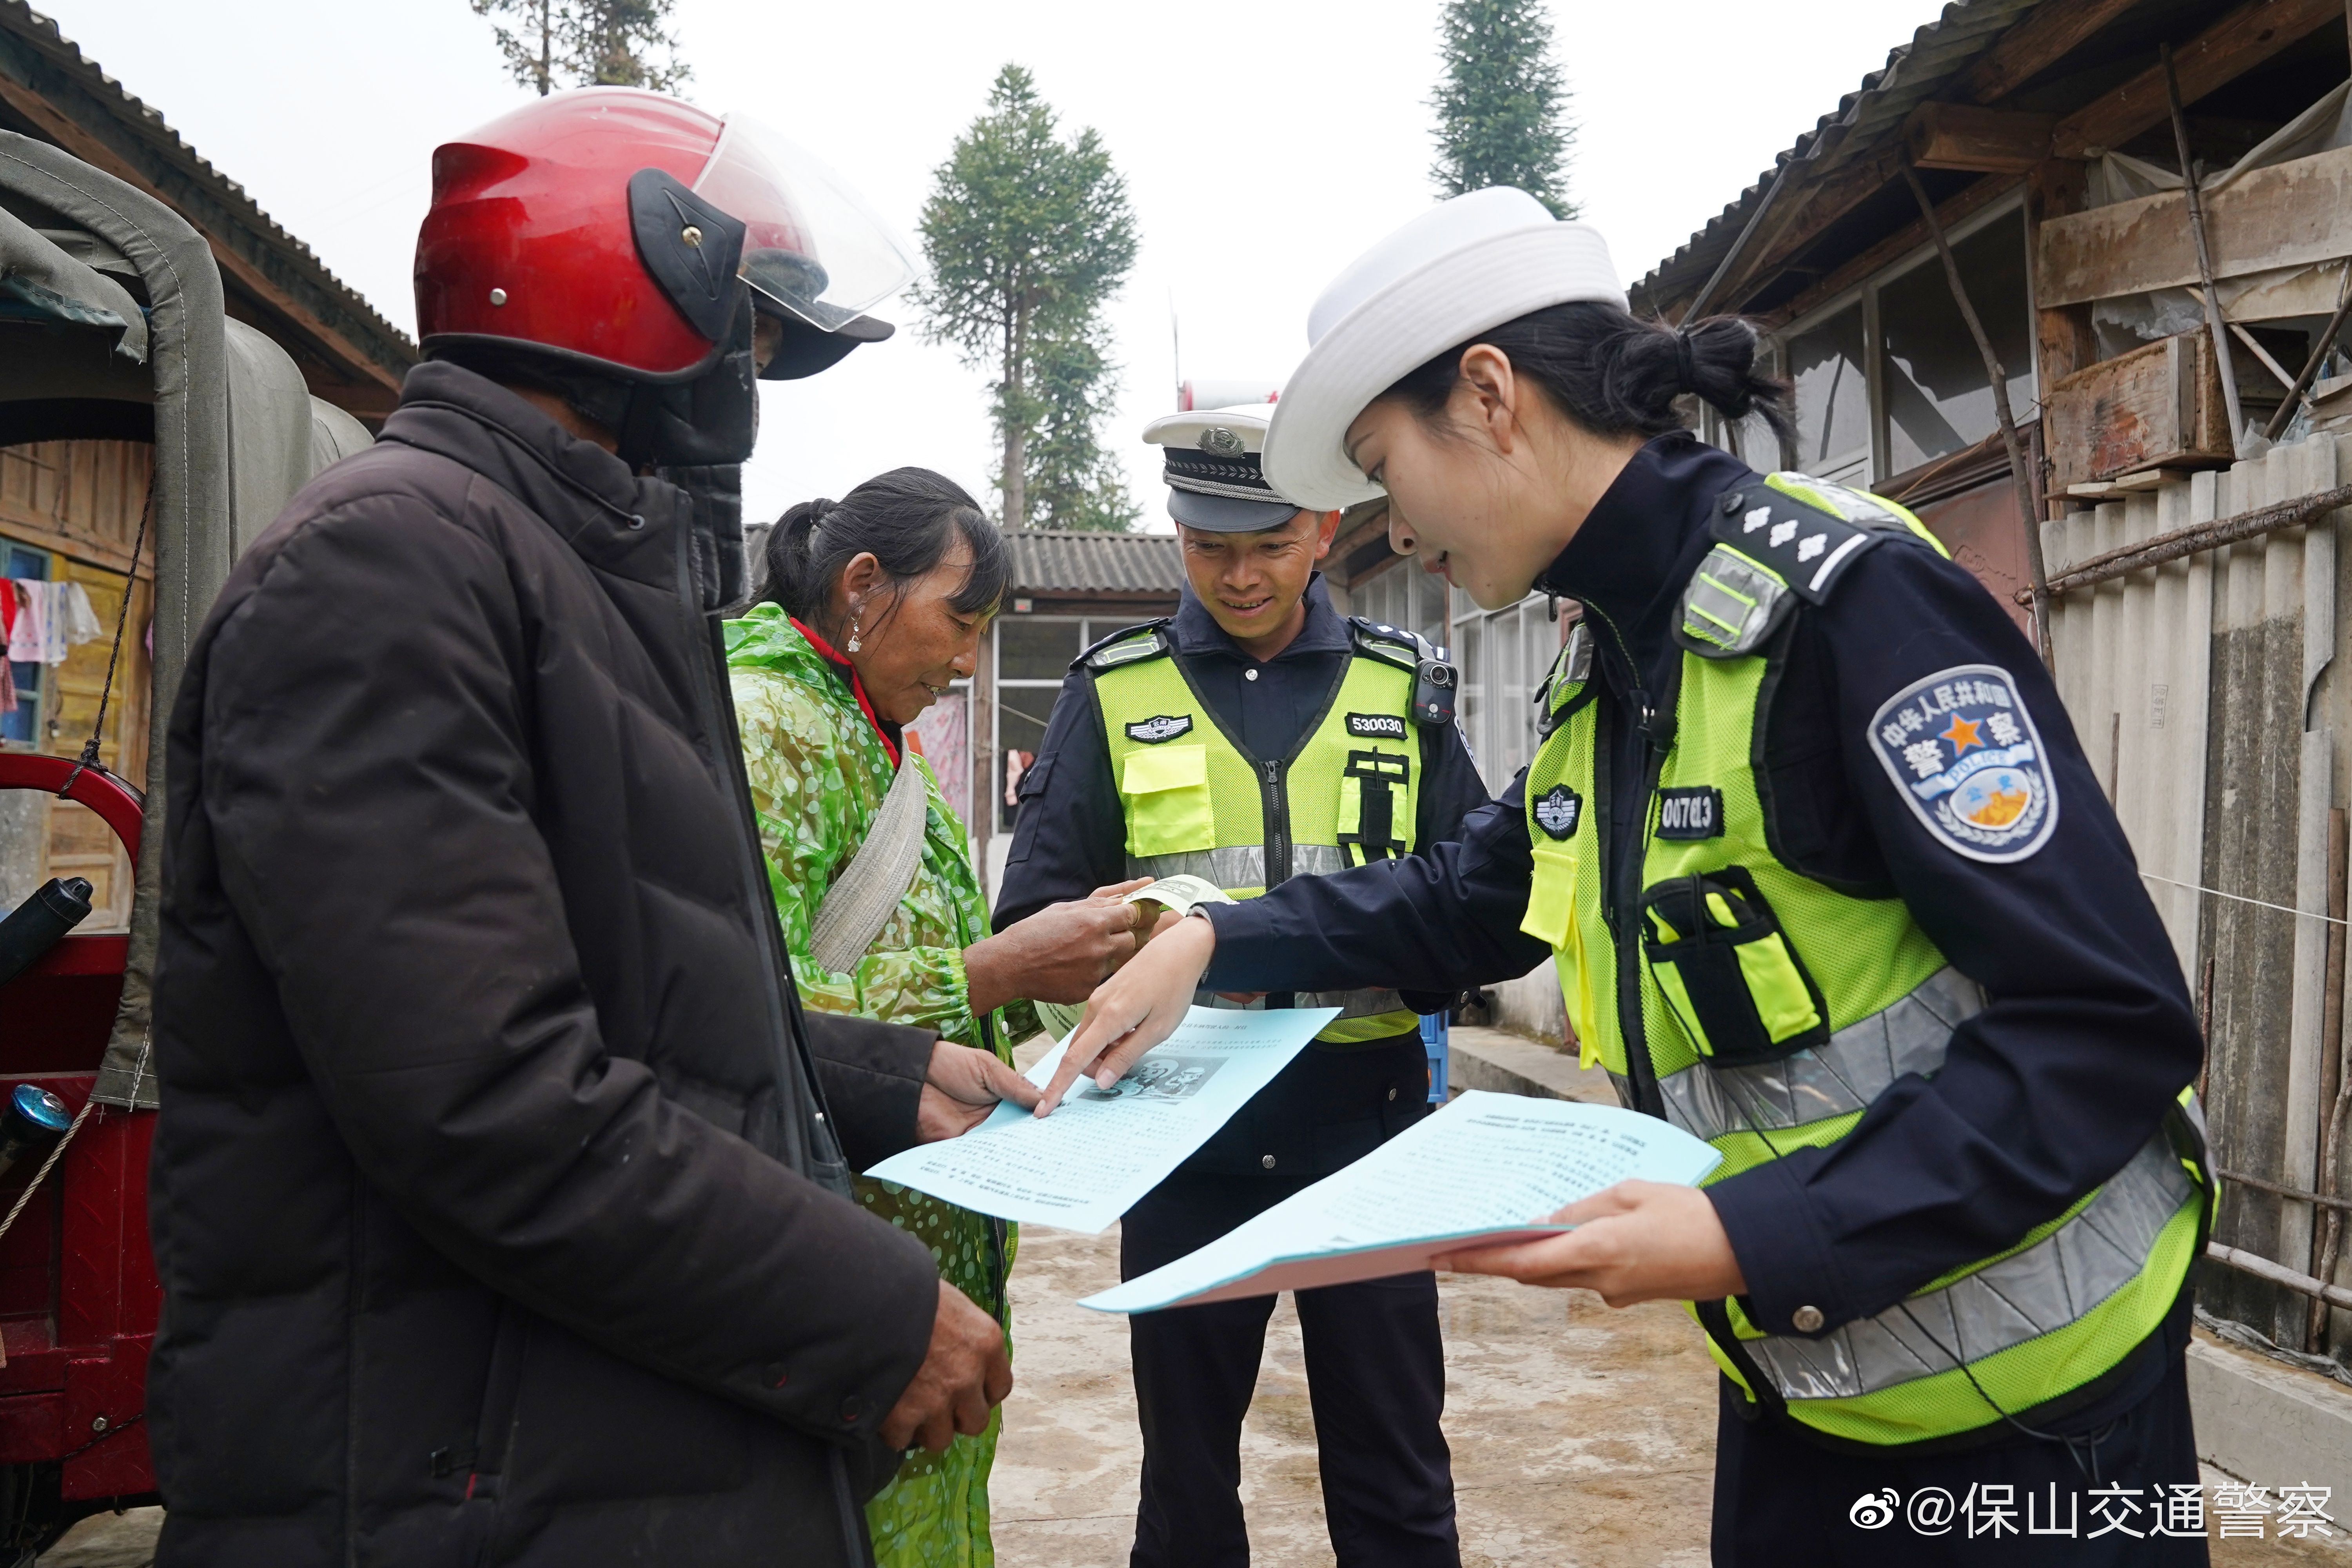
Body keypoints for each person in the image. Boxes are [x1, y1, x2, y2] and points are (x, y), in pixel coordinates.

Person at [1046, 188, 2212, 1567]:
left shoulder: (1849, 607)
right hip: (1806, 1383)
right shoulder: (1619, 656)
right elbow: (1471, 895)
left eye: (1383, 463)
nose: (1395, 531)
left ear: (1487, 396)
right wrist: (1211, 938)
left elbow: (2106, 1024)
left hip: (2041, 1423)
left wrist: (1750, 1232)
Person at [148, 91, 1031, 1568]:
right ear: (629, 306)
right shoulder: (389, 569)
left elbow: (621, 990)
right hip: (457, 1476)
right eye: (746, 339)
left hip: (579, 1454)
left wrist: (882, 1073)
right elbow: (484, 1096)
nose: (750, 383)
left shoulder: (574, 576)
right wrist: (865, 1310)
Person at [997, 403, 1492, 1568]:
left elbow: (1476, 907)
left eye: (1269, 545)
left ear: (1323, 528)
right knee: (1186, 1487)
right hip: (1183, 1151)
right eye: (1212, 546)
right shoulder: (1112, 691)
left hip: (1364, 1138)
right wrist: (1137, 941)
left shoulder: (1404, 686)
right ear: (1175, 534)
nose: (1241, 574)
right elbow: (1035, 921)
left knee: (1397, 1480)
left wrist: (1323, 945)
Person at [727, 467, 1153, 1567]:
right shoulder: (766, 722)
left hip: (924, 1243)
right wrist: (993, 974)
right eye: (959, 624)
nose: (968, 664)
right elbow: (734, 1008)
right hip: (842, 1255)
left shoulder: (874, 732)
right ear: (863, 585)